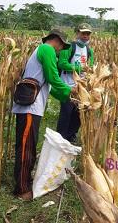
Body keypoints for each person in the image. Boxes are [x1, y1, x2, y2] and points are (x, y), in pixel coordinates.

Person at [12, 29, 78, 200]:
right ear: (56, 40)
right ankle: (21, 189)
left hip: (33, 108)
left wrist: (69, 97)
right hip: (29, 108)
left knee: (30, 144)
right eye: (62, 45)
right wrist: (70, 90)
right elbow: (53, 78)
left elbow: (50, 85)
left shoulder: (43, 51)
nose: (61, 50)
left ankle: (25, 180)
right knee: (26, 147)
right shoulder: (47, 49)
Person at [56, 23, 94, 142]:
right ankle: (61, 138)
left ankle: (71, 136)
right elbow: (62, 63)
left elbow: (90, 66)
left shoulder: (89, 50)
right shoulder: (68, 47)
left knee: (78, 114)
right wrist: (80, 68)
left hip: (81, 87)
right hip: (67, 85)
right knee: (66, 112)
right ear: (77, 33)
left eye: (88, 34)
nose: (85, 36)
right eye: (83, 33)